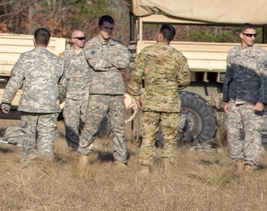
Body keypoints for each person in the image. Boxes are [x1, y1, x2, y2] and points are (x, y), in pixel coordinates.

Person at [126, 24, 190, 173]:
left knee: (148, 137)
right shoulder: (178, 56)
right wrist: (171, 86)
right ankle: (168, 169)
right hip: (171, 104)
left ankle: (144, 169)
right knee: (169, 138)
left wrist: (136, 96)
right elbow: (185, 80)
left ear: (160, 36)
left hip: (150, 102)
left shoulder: (146, 53)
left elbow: (135, 77)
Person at [0, 28, 67, 165]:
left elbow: (15, 80)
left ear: (33, 41)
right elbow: (64, 86)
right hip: (49, 107)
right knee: (46, 138)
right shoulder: (58, 61)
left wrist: (6, 100)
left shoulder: (25, 58)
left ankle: (27, 165)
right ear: (48, 42)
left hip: (29, 105)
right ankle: (45, 165)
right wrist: (56, 100)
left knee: (28, 137)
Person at [76, 15, 131, 166]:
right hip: (98, 92)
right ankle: (84, 155)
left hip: (116, 92)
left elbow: (125, 61)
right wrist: (114, 63)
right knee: (91, 125)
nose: (108, 31)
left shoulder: (119, 45)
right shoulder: (91, 45)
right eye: (106, 28)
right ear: (99, 27)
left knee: (119, 128)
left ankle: (120, 160)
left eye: (111, 28)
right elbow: (96, 64)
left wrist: (110, 62)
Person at [222, 23, 267, 172]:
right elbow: (228, 77)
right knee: (232, 132)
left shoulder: (260, 54)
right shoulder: (233, 53)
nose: (252, 38)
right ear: (241, 35)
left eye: (254, 35)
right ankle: (238, 161)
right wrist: (226, 99)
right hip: (235, 100)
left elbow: (265, 78)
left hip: (252, 101)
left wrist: (262, 100)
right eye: (249, 35)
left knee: (252, 134)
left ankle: (250, 164)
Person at [60, 28, 90, 150]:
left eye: (84, 38)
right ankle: (73, 148)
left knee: (88, 123)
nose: (83, 40)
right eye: (80, 38)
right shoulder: (65, 55)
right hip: (71, 95)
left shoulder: (89, 54)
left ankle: (86, 149)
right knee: (70, 123)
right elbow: (61, 75)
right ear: (73, 40)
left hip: (86, 95)